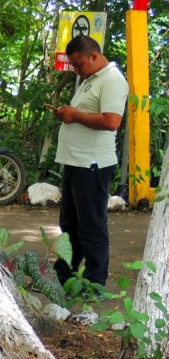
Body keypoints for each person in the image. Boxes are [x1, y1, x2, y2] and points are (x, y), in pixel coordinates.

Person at [51, 35, 129, 289]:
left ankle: (95, 282)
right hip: (76, 162)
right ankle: (65, 275)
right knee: (70, 224)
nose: (76, 70)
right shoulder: (90, 80)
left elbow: (112, 121)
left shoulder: (112, 80)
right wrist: (69, 114)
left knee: (91, 226)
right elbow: (84, 114)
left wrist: (75, 116)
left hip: (93, 164)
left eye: (79, 64)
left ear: (94, 56)